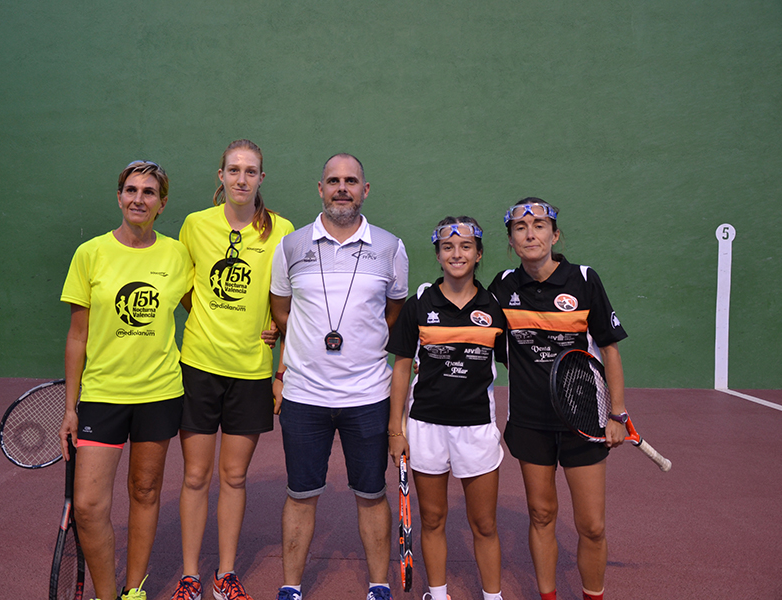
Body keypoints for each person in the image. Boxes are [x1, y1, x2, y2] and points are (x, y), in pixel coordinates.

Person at [269, 153, 409, 600]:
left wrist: (362, 341)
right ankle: (291, 587)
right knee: (300, 493)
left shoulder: (390, 247)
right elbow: (281, 309)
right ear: (320, 188)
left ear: (365, 190)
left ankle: (379, 585)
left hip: (368, 396)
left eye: (351, 181)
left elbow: (394, 311)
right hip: (304, 396)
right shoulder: (291, 246)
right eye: (333, 181)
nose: (342, 188)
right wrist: (303, 349)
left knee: (371, 493)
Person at [59, 160, 193, 600]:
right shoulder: (90, 254)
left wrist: (268, 328)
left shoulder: (177, 255)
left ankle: (133, 591)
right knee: (88, 505)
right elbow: (77, 336)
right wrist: (69, 408)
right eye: (131, 190)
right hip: (102, 396)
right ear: (119, 197)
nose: (139, 199)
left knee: (145, 491)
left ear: (162, 203)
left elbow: (205, 311)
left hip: (160, 393)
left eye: (149, 192)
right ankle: (105, 595)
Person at [171, 140, 294, 600]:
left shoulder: (282, 230)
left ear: (262, 178)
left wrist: (278, 364)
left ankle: (225, 575)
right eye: (234, 170)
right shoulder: (195, 224)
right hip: (199, 366)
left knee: (235, 477)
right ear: (220, 176)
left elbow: (288, 302)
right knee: (195, 477)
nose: (242, 178)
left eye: (251, 171)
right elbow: (187, 289)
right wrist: (208, 318)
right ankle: (189, 576)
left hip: (251, 372)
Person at [488, 198, 628, 600]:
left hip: (583, 421)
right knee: (541, 514)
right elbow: (483, 339)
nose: (530, 234)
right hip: (530, 421)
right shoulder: (503, 287)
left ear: (555, 235)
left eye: (539, 226)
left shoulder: (583, 280)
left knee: (592, 526)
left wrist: (617, 413)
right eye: (520, 228)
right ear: (511, 241)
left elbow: (610, 349)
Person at [387, 217, 507, 600]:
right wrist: (395, 430)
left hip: (477, 428)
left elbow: (518, 363)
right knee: (433, 518)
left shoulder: (495, 307)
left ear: (479, 254)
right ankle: (438, 595)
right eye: (448, 247)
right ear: (438, 255)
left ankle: (493, 597)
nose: (457, 254)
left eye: (466, 246)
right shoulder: (419, 304)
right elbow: (401, 367)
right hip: (425, 427)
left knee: (484, 523)